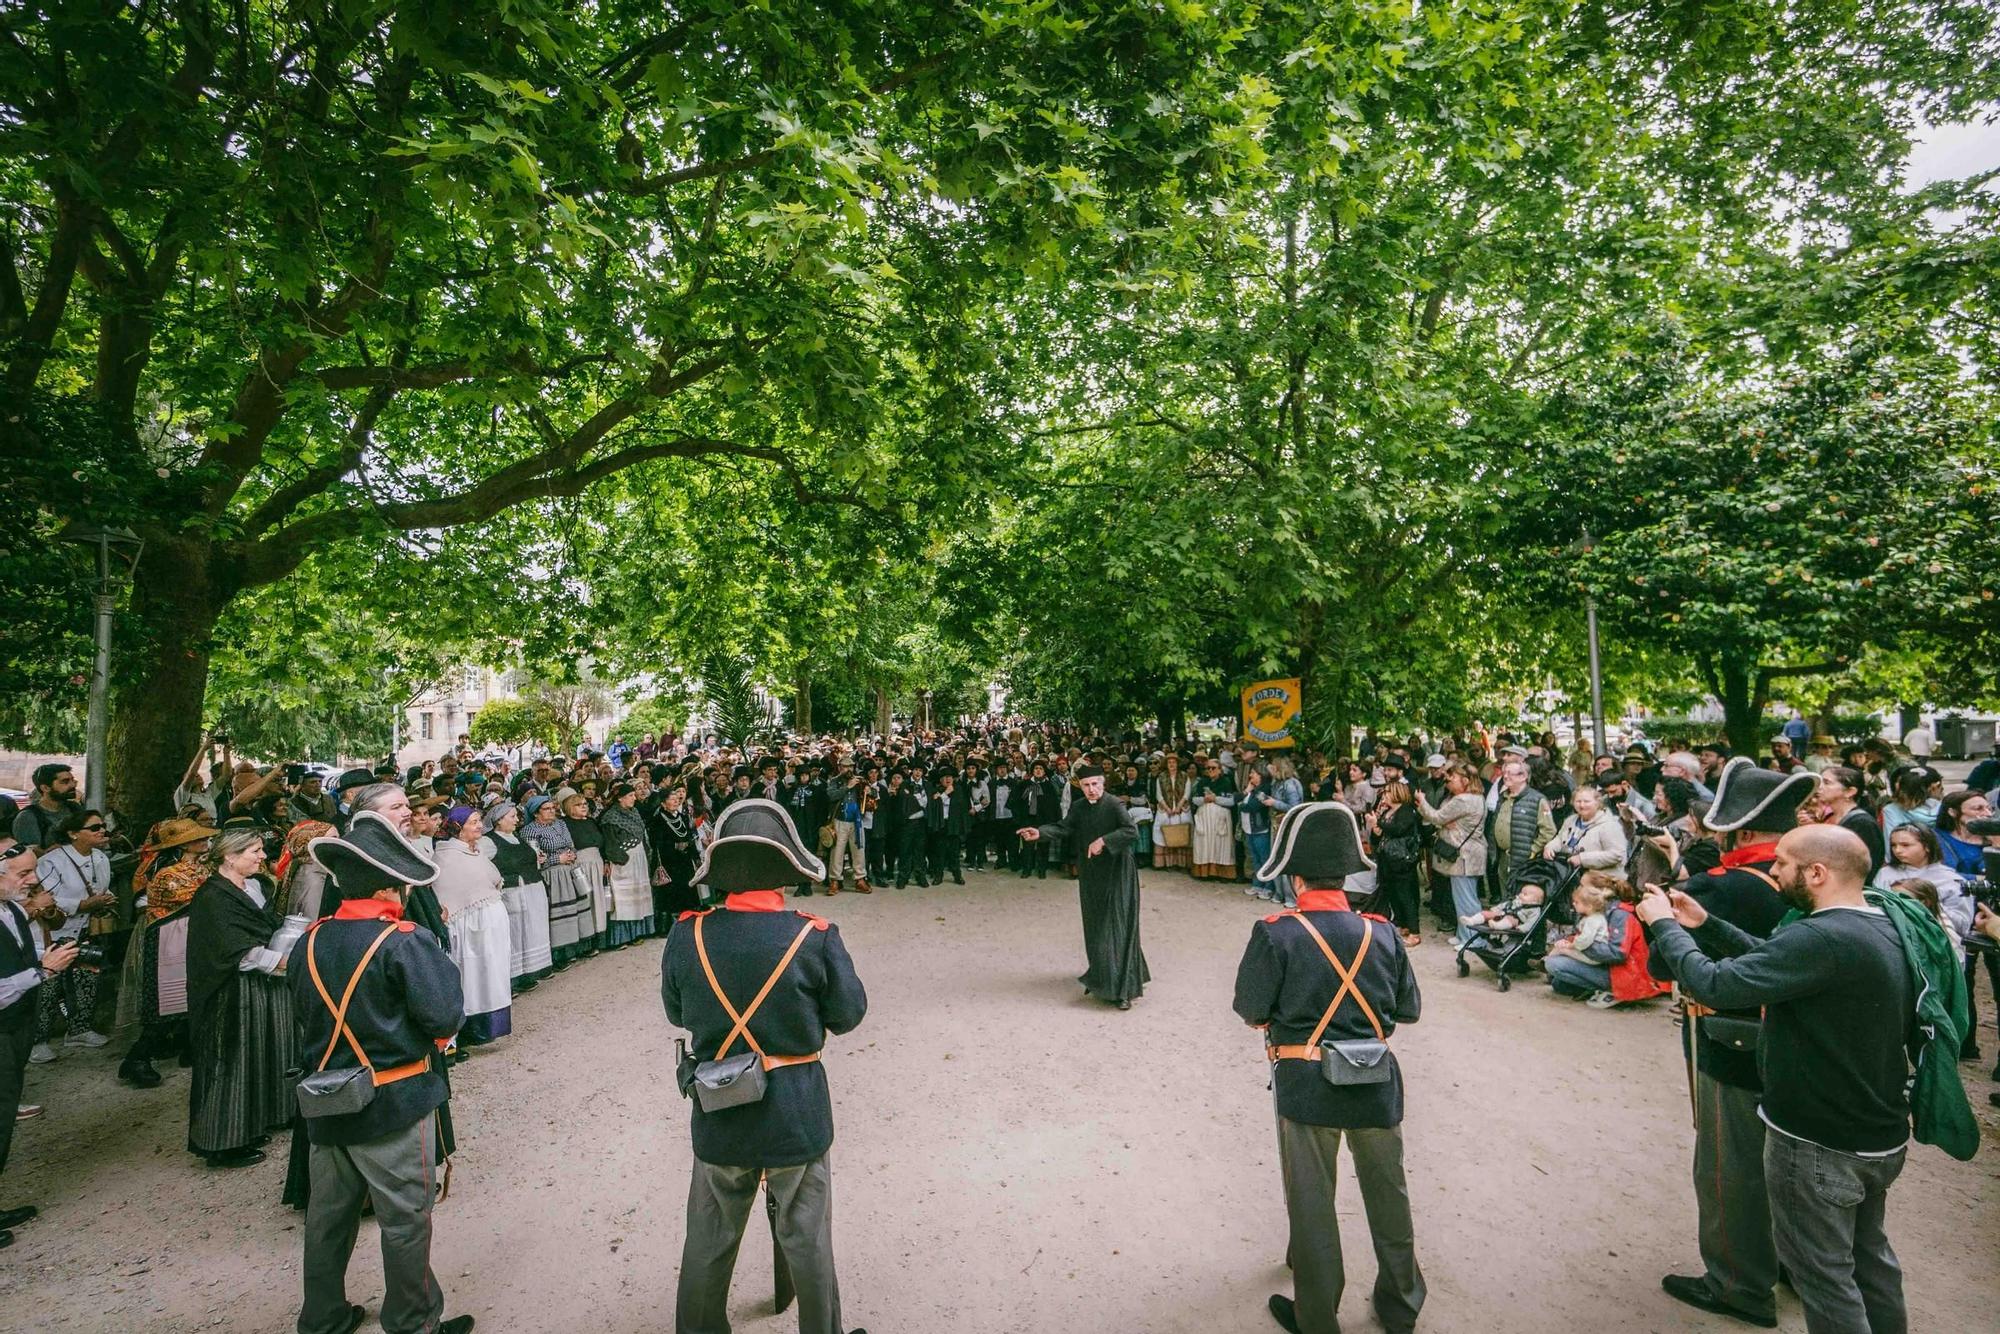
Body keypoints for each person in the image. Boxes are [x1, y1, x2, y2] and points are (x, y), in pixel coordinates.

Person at [1637, 825, 1933, 1334]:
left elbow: (1716, 984)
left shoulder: (1821, 936)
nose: (1772, 872)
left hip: (1817, 1141)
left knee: (1824, 1278)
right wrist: (1704, 922)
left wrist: (1666, 925)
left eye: (1781, 863)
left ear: (1816, 873)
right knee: (1870, 1265)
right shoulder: (1872, 923)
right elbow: (1773, 956)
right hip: (1874, 1135)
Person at [662, 799, 869, 1334]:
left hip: (719, 1107)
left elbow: (677, 1013)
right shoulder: (814, 934)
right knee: (809, 1238)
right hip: (795, 1108)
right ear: (785, 870)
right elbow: (848, 1016)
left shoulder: (689, 933)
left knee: (708, 1240)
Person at [1231, 803, 1423, 1334]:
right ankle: (1401, 1305)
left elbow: (1251, 1012)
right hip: (1377, 1081)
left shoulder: (1275, 932)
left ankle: (1317, 1318)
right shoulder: (1382, 931)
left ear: (1295, 878)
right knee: (1390, 1197)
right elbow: (1407, 1012)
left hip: (1306, 1083)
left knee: (1313, 1204)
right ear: (1344, 873)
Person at [1646, 756, 1818, 1328]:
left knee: (1730, 1166)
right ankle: (1792, 1264)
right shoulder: (1817, 877)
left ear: (1741, 831)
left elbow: (1660, 962)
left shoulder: (1716, 886)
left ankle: (1739, 1283)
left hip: (1733, 1036)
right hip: (1808, 1043)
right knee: (1790, 1160)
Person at [293, 809, 473, 1334]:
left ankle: (323, 1317)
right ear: (393, 888)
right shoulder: (403, 940)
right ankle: (413, 1322)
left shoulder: (310, 939)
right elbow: (443, 1016)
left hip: (326, 1098)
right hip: (393, 1100)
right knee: (405, 1222)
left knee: (327, 1220)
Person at [185, 828, 299, 1169]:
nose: (262, 856)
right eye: (255, 851)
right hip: (229, 990)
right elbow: (234, 950)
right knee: (231, 1060)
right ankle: (222, 1142)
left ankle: (255, 1122)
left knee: (262, 1054)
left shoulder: (257, 886)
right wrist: (282, 962)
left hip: (259, 986)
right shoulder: (212, 897)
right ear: (229, 856)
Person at [1019, 764, 1150, 1009]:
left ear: (1103, 783)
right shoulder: (1078, 807)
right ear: (1080, 786)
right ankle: (1102, 977)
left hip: (1117, 872)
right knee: (1095, 925)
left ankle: (1123, 990)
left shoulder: (1113, 804)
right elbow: (1064, 827)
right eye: (1087, 785)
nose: (1091, 790)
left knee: (1116, 927)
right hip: (1091, 873)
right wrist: (1040, 832)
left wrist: (1103, 841)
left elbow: (1130, 832)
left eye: (1095, 784)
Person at [1, 842, 79, 1250]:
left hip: (14, 1029)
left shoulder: (13, 910)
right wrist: (40, 972)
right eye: (23, 874)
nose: (33, 881)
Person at [28, 808, 117, 1060]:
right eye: (95, 827)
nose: (102, 831)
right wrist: (83, 904)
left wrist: (104, 899)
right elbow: (44, 899)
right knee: (49, 985)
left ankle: (79, 1029)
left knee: (87, 977)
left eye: (103, 826)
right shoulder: (52, 861)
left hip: (85, 929)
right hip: (55, 932)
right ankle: (38, 1040)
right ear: (73, 833)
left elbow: (102, 887)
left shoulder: (100, 857)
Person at [431, 806, 512, 1048]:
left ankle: (492, 1025)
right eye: (473, 822)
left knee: (493, 973)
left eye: (479, 821)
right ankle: (471, 1029)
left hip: (490, 922)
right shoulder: (445, 856)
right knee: (474, 975)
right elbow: (448, 892)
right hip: (469, 927)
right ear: (458, 827)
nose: (479, 826)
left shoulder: (474, 851)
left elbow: (493, 879)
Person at [480, 802, 552, 994]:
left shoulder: (516, 837)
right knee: (514, 935)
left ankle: (528, 973)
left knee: (530, 933)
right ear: (498, 821)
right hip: (512, 893)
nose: (516, 820)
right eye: (512, 817)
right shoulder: (488, 842)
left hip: (532, 890)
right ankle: (511, 978)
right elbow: (482, 867)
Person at [1416, 761, 1487, 943]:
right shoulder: (1476, 798)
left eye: (1452, 777)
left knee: (1466, 899)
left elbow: (1436, 816)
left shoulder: (1463, 800)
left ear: (1465, 780)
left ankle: (1473, 939)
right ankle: (1464, 935)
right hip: (1470, 854)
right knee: (1463, 897)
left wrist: (1422, 802)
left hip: (1465, 856)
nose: (1448, 780)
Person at [1363, 782, 1423, 946]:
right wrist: (1376, 828)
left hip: (1401, 860)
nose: (1384, 796)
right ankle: (1403, 925)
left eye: (1387, 792)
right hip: (1387, 859)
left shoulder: (1406, 811)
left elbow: (1398, 829)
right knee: (1393, 894)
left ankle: (1415, 932)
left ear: (1397, 793)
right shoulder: (1388, 811)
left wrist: (1379, 822)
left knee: (1406, 896)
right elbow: (1379, 837)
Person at [600, 782, 657, 944]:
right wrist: (620, 859)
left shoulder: (634, 812)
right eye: (630, 796)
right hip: (623, 861)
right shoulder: (610, 817)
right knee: (624, 897)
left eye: (633, 795)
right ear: (620, 798)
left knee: (638, 894)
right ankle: (625, 936)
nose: (634, 798)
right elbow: (610, 842)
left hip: (638, 858)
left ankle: (640, 931)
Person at [1487, 758, 1553, 895]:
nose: (1505, 776)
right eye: (1505, 772)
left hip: (1524, 859)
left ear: (1523, 777)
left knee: (1521, 895)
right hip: (1503, 857)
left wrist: (1533, 850)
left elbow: (1549, 830)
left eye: (1510, 773)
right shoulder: (1503, 796)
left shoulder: (1537, 799)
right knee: (1506, 893)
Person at [1816, 765, 1885, 879]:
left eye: (1827, 783)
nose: (1819, 787)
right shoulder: (1829, 816)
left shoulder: (1862, 824)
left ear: (1850, 792)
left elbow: (1868, 866)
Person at [1542, 784, 1628, 872]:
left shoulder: (1609, 825)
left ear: (1597, 803)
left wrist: (1582, 859)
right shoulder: (1570, 820)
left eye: (1586, 802)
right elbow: (1560, 839)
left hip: (1600, 877)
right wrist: (1550, 847)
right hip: (1568, 871)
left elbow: (1617, 854)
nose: (1582, 805)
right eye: (1578, 801)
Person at [12, 763, 80, 851]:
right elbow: (31, 855)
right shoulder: (28, 817)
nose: (73, 785)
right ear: (45, 788)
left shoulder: (74, 808)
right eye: (65, 782)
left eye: (73, 780)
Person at [1189, 756, 1237, 880]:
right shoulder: (1202, 782)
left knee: (1221, 846)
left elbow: (1231, 801)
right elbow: (1194, 799)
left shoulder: (1226, 782)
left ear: (1220, 769)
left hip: (1220, 820)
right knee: (1204, 846)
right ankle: (1204, 873)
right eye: (1207, 768)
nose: (1210, 770)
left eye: (1213, 768)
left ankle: (1222, 874)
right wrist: (1204, 799)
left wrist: (1215, 799)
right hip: (1204, 820)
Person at [924, 770, 968, 886]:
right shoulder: (935, 791)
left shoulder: (958, 790)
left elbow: (961, 807)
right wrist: (945, 794)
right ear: (940, 780)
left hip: (953, 824)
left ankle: (957, 875)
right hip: (940, 825)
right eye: (944, 777)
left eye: (950, 776)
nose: (947, 779)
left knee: (954, 852)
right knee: (939, 852)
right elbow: (933, 806)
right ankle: (939, 875)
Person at [1151, 754, 1192, 871]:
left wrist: (1179, 806)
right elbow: (1158, 795)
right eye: (1169, 762)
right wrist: (1167, 808)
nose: (1172, 764)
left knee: (1183, 833)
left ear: (1178, 764)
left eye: (1174, 762)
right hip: (1166, 809)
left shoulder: (1184, 776)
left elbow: (1187, 793)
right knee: (1165, 834)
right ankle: (1168, 863)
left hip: (1181, 808)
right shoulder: (1161, 777)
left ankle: (1182, 864)